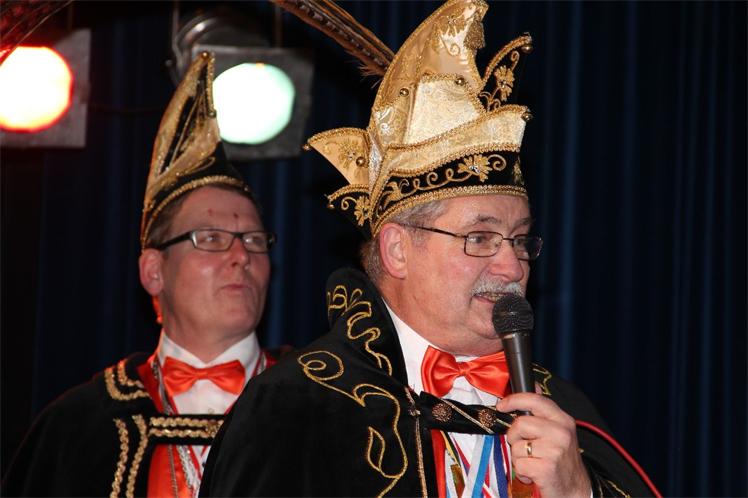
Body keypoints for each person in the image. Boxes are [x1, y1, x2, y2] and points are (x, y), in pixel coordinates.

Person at [200, 1, 657, 497]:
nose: (512, 266)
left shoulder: (562, 412)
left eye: (520, 240)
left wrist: (579, 492)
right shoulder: (299, 404)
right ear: (397, 249)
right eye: (479, 238)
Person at [2, 52, 282, 497]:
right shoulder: (80, 426)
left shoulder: (323, 405)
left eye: (253, 239)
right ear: (154, 271)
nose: (240, 256)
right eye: (211, 238)